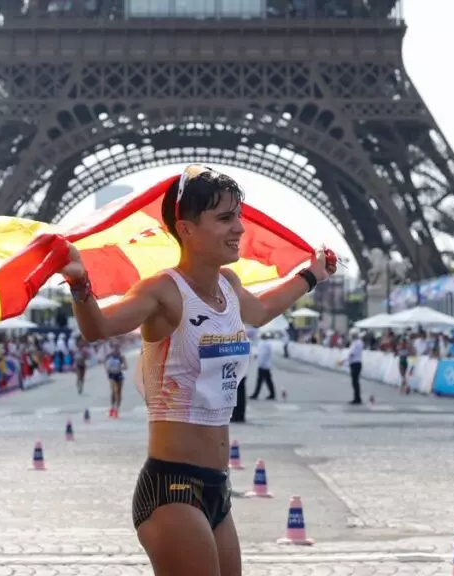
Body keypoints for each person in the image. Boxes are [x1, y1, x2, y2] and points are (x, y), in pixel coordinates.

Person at [60, 165, 336, 575]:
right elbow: (97, 327)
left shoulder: (229, 284)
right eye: (225, 218)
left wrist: (312, 275)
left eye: (238, 217)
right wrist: (81, 284)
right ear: (186, 229)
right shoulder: (162, 291)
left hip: (217, 486)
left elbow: (261, 312)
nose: (239, 228)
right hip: (171, 487)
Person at [104, 340, 127, 418]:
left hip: (119, 375)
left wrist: (121, 367)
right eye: (115, 347)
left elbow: (126, 367)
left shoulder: (121, 357)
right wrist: (107, 371)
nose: (116, 349)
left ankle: (117, 409)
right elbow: (105, 365)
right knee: (114, 391)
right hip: (112, 375)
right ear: (112, 348)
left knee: (119, 392)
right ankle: (112, 407)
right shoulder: (109, 356)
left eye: (117, 347)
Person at [250, 333, 276, 400]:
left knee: (261, 381)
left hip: (263, 365)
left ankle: (256, 394)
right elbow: (261, 353)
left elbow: (263, 355)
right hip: (265, 365)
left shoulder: (266, 344)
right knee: (267, 380)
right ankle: (272, 394)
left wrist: (260, 362)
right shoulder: (264, 343)